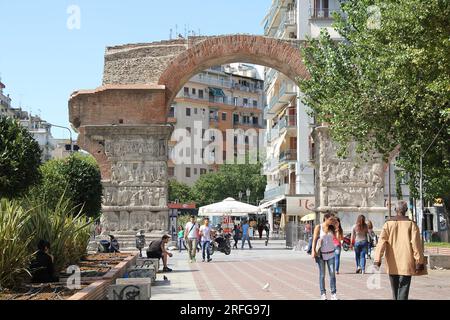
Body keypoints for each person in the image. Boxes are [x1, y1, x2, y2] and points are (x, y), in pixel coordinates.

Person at [374, 200, 426, 300]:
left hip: (392, 262)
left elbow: (381, 242)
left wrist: (377, 260)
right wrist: (419, 261)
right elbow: (416, 244)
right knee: (404, 290)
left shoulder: (388, 224)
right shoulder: (411, 224)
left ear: (395, 210)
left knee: (395, 291)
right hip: (407, 262)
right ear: (406, 210)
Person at [311, 213, 338, 300]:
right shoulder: (318, 227)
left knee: (332, 274)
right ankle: (323, 294)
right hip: (321, 255)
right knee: (322, 275)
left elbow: (338, 237)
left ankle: (333, 294)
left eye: (332, 219)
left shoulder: (332, 228)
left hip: (331, 254)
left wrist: (335, 223)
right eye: (330, 219)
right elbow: (314, 239)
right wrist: (313, 251)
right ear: (325, 219)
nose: (331, 221)